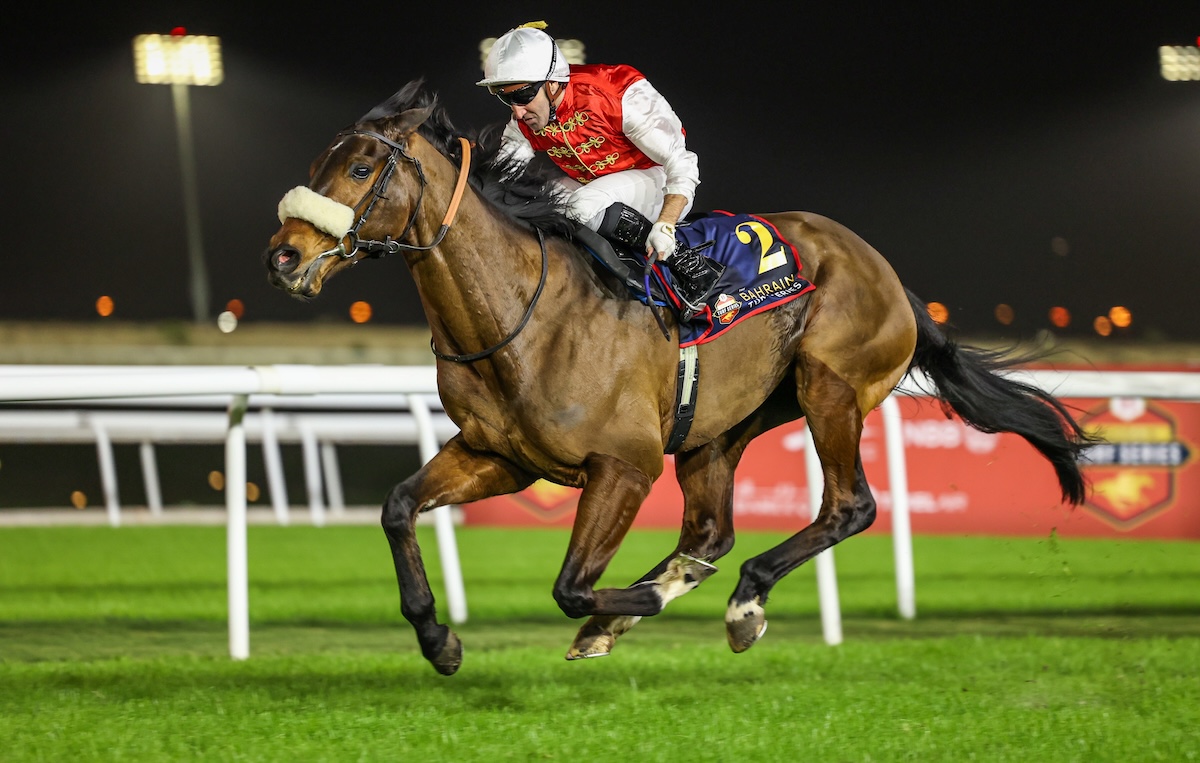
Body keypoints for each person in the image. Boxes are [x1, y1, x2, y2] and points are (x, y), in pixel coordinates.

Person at [476, 21, 722, 310]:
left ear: (553, 83)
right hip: (598, 191)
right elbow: (501, 174)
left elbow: (682, 160)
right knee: (535, 197)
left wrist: (666, 224)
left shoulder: (617, 92)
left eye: (522, 95)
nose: (517, 111)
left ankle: (691, 265)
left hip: (656, 181)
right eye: (506, 98)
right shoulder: (525, 120)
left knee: (580, 205)